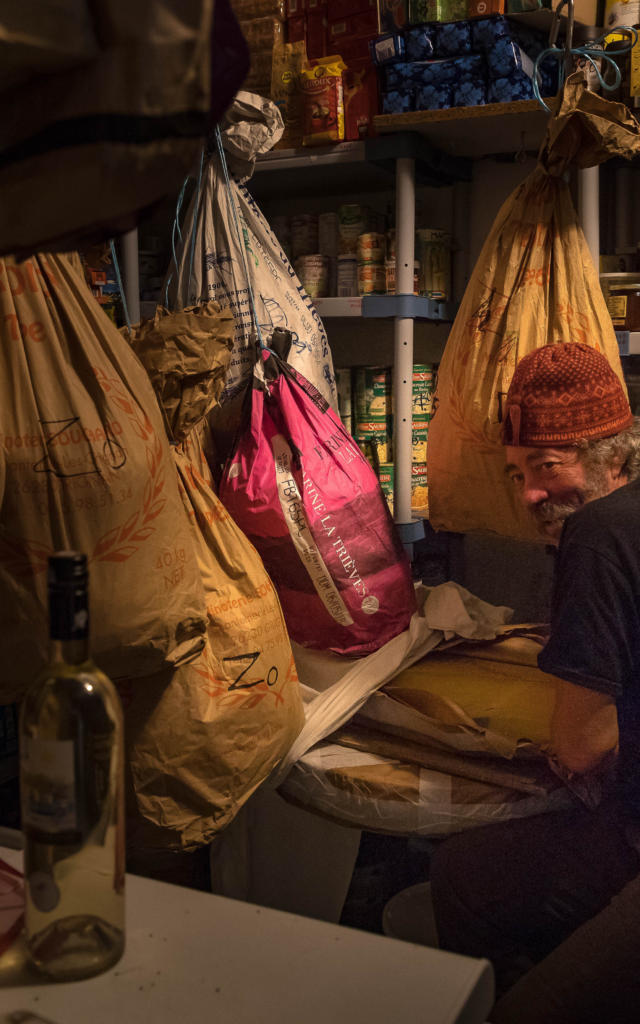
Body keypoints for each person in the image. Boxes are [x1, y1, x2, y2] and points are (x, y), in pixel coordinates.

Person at [428, 342, 640, 1023]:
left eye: (547, 466)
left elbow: (583, 745)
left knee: (466, 884)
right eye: (520, 473)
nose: (530, 496)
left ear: (615, 453)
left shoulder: (600, 532)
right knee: (471, 873)